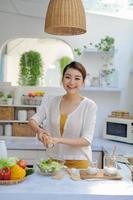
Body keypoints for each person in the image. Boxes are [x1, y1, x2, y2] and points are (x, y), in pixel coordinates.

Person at [28, 61, 97, 169]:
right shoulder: (51, 101)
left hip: (79, 163)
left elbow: (86, 140)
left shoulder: (89, 105)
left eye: (77, 78)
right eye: (68, 77)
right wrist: (39, 130)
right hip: (53, 162)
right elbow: (33, 120)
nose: (71, 82)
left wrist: (57, 140)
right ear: (62, 80)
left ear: (83, 82)